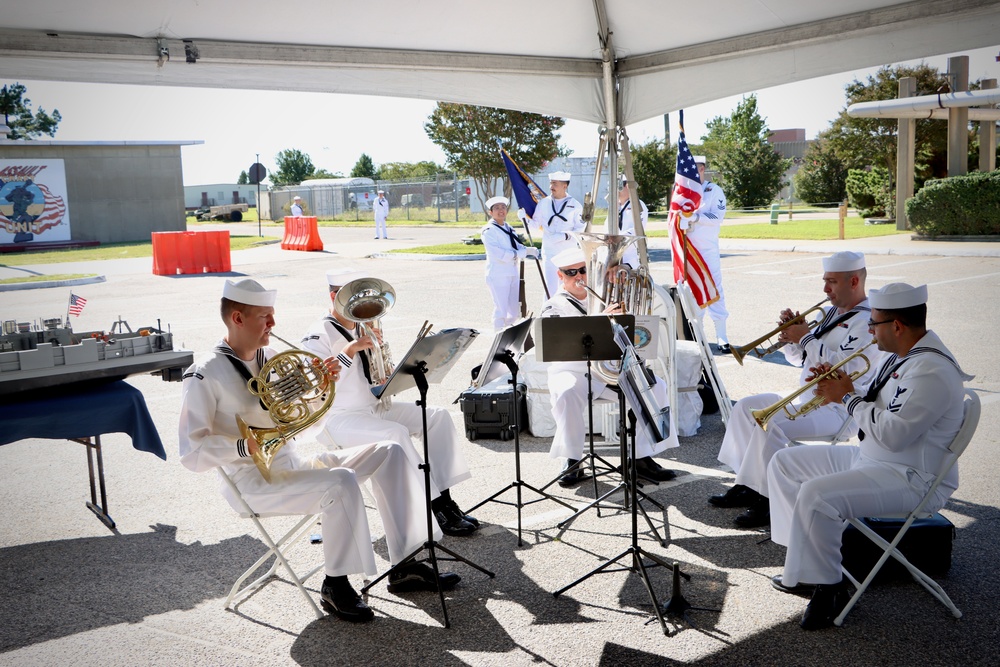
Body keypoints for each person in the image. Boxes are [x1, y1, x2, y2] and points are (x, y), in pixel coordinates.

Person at [178, 278, 459, 624]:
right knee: (339, 482)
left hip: (292, 462)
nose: (273, 324)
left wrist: (319, 391)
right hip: (252, 482)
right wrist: (242, 445)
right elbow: (191, 452)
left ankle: (407, 563)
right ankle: (336, 584)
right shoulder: (204, 374)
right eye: (265, 316)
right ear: (237, 318)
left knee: (392, 449)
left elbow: (305, 427)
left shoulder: (273, 358)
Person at [767, 282, 973, 630]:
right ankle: (806, 565)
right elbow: (877, 399)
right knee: (784, 464)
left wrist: (846, 398)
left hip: (909, 478)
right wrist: (841, 383)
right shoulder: (903, 354)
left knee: (816, 495)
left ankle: (829, 586)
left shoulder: (931, 370)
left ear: (896, 326)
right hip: (875, 458)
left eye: (873, 323)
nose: (868, 328)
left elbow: (894, 434)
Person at [300, 268, 479, 536]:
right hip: (340, 418)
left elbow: (375, 375)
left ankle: (444, 495)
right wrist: (351, 349)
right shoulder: (318, 334)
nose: (358, 306)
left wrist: (390, 367)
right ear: (334, 296)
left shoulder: (364, 327)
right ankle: (434, 505)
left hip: (374, 409)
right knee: (395, 433)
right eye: (350, 298)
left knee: (437, 417)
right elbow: (316, 383)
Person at [710, 251, 881, 528]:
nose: (825, 289)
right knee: (744, 408)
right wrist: (792, 339)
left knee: (771, 422)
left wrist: (807, 338)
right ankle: (747, 483)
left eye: (832, 282)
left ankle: (768, 499)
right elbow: (799, 360)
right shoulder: (828, 313)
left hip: (840, 409)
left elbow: (843, 369)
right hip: (808, 401)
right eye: (825, 281)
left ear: (853, 282)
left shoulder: (868, 321)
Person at [540, 247, 677, 487]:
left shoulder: (607, 296)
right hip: (572, 372)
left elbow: (635, 338)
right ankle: (572, 459)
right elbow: (560, 345)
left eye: (583, 270)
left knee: (656, 388)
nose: (579, 277)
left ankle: (641, 458)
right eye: (571, 273)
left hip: (608, 372)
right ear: (560, 276)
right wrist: (600, 320)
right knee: (567, 393)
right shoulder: (554, 306)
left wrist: (627, 319)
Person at [518, 171, 585, 298]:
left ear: (565, 186)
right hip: (549, 250)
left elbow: (581, 228)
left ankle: (566, 314)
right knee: (550, 285)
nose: (551, 187)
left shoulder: (575, 205)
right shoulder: (544, 203)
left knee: (567, 284)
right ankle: (548, 313)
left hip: (567, 250)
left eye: (555, 184)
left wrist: (565, 235)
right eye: (550, 183)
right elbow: (535, 225)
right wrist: (524, 219)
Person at [686, 156, 729, 351]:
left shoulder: (713, 190)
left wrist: (696, 217)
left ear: (702, 168)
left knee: (715, 289)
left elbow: (717, 217)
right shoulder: (683, 192)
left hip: (708, 248)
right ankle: (698, 334)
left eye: (694, 168)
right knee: (693, 291)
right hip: (689, 249)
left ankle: (722, 336)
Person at [481, 195, 540, 331]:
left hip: (512, 273)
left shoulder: (509, 228)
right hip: (498, 274)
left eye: (503, 207)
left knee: (514, 311)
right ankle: (498, 338)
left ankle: (509, 339)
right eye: (497, 208)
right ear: (491, 212)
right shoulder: (489, 231)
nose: (501, 210)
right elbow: (500, 255)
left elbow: (517, 245)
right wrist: (521, 253)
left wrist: (528, 250)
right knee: (501, 310)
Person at [616, 175, 647, 270]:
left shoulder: (638, 205)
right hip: (614, 252)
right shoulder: (614, 206)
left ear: (628, 186)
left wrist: (620, 237)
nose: (617, 190)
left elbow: (638, 229)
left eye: (619, 187)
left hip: (630, 253)